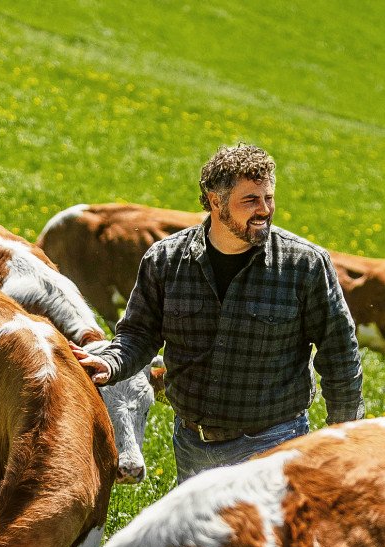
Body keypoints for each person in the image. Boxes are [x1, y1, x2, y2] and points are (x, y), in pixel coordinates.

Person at [72, 143, 364, 483]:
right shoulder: (166, 261)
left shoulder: (304, 266)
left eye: (269, 198)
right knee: (198, 539)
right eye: (251, 200)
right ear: (215, 201)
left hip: (272, 443)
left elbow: (340, 354)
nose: (265, 210)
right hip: (192, 444)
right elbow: (138, 334)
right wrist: (111, 362)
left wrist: (346, 439)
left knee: (260, 538)